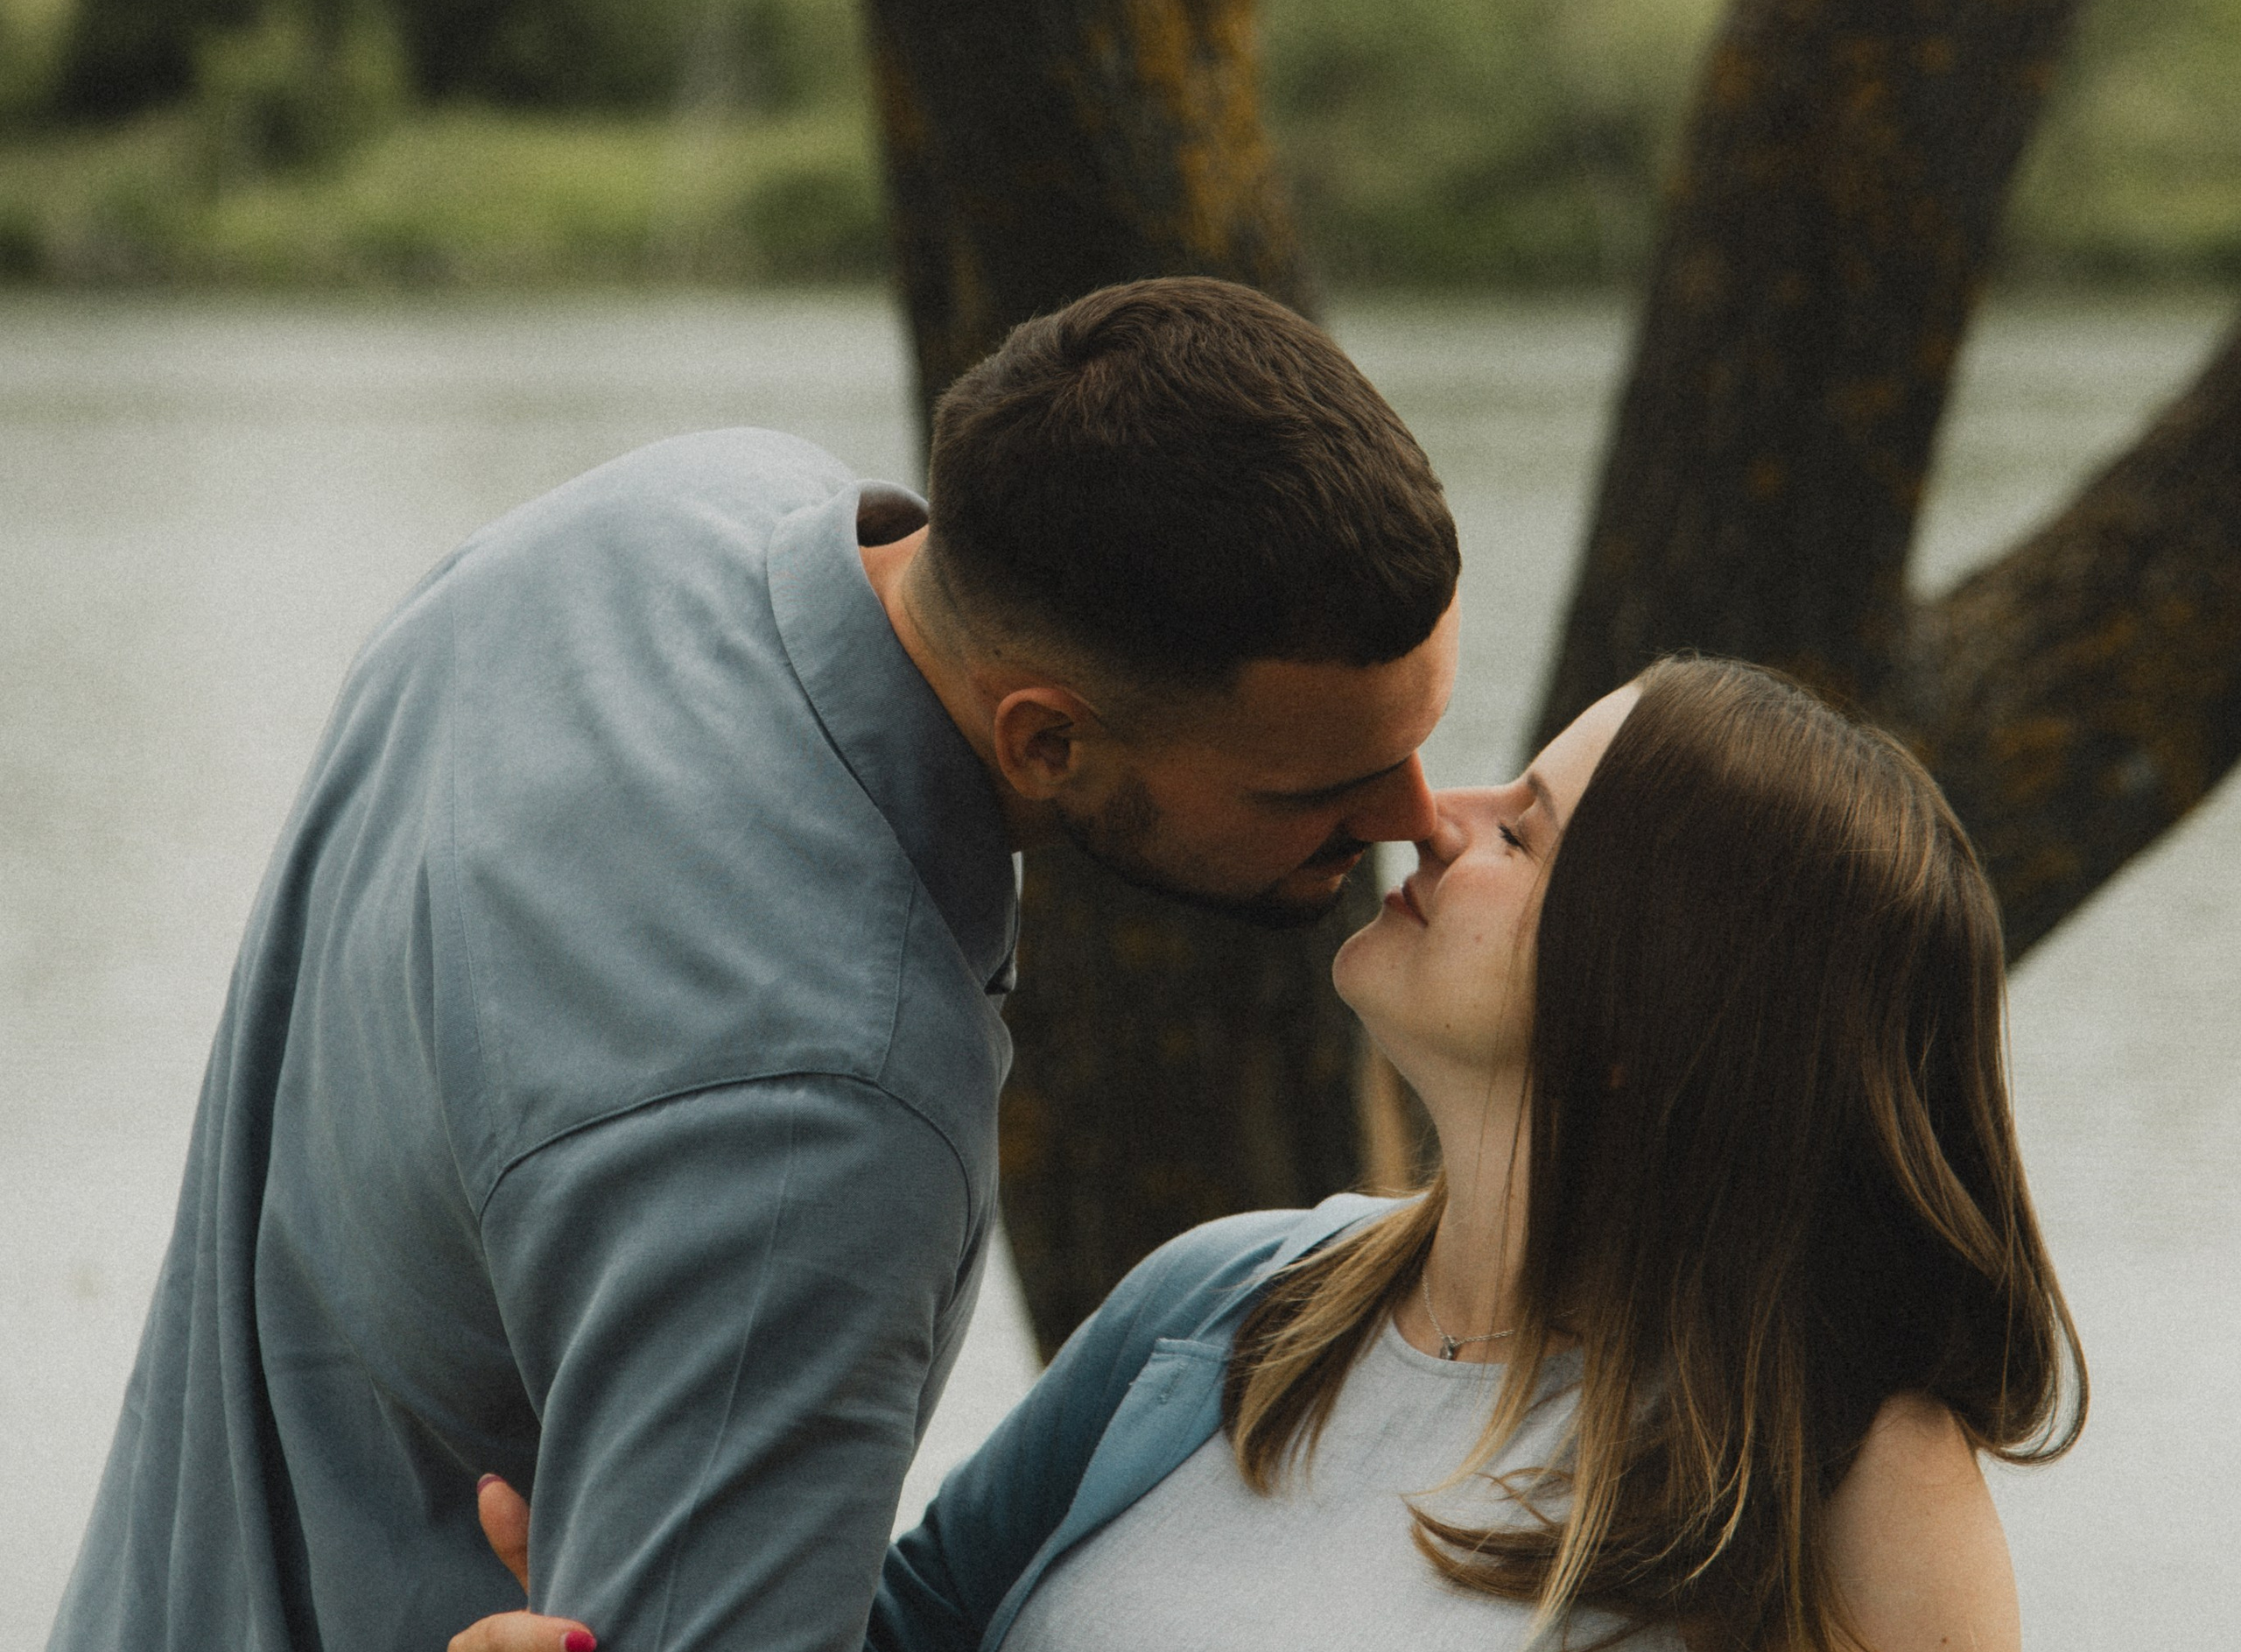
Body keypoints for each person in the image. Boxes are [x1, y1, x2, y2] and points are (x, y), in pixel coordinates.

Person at [48, 278, 1462, 1652]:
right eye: (1320, 786)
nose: (1415, 815)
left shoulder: (654, 517)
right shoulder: (818, 1120)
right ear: (1045, 741)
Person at [457, 656, 2082, 1652]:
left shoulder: (1842, 1471)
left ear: (1662, 1001)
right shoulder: (1230, 1301)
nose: (1433, 814)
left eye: (1526, 829)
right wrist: (644, 1605)